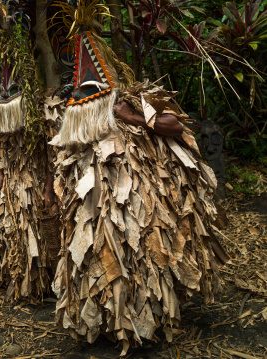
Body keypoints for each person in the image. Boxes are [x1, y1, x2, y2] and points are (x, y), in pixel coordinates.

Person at [48, 1, 228, 352]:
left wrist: (132, 117)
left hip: (138, 203)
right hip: (93, 207)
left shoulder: (130, 100)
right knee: (98, 261)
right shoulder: (76, 119)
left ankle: (147, 325)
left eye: (89, 95)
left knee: (142, 259)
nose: (82, 103)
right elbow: (66, 159)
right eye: (78, 97)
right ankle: (107, 324)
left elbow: (176, 126)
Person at [0, 0, 66, 301]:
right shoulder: (4, 113)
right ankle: (30, 285)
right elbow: (0, 143)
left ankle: (51, 282)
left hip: (38, 182)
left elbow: (53, 149)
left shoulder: (42, 109)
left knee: (45, 233)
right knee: (18, 235)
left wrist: (52, 188)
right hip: (15, 187)